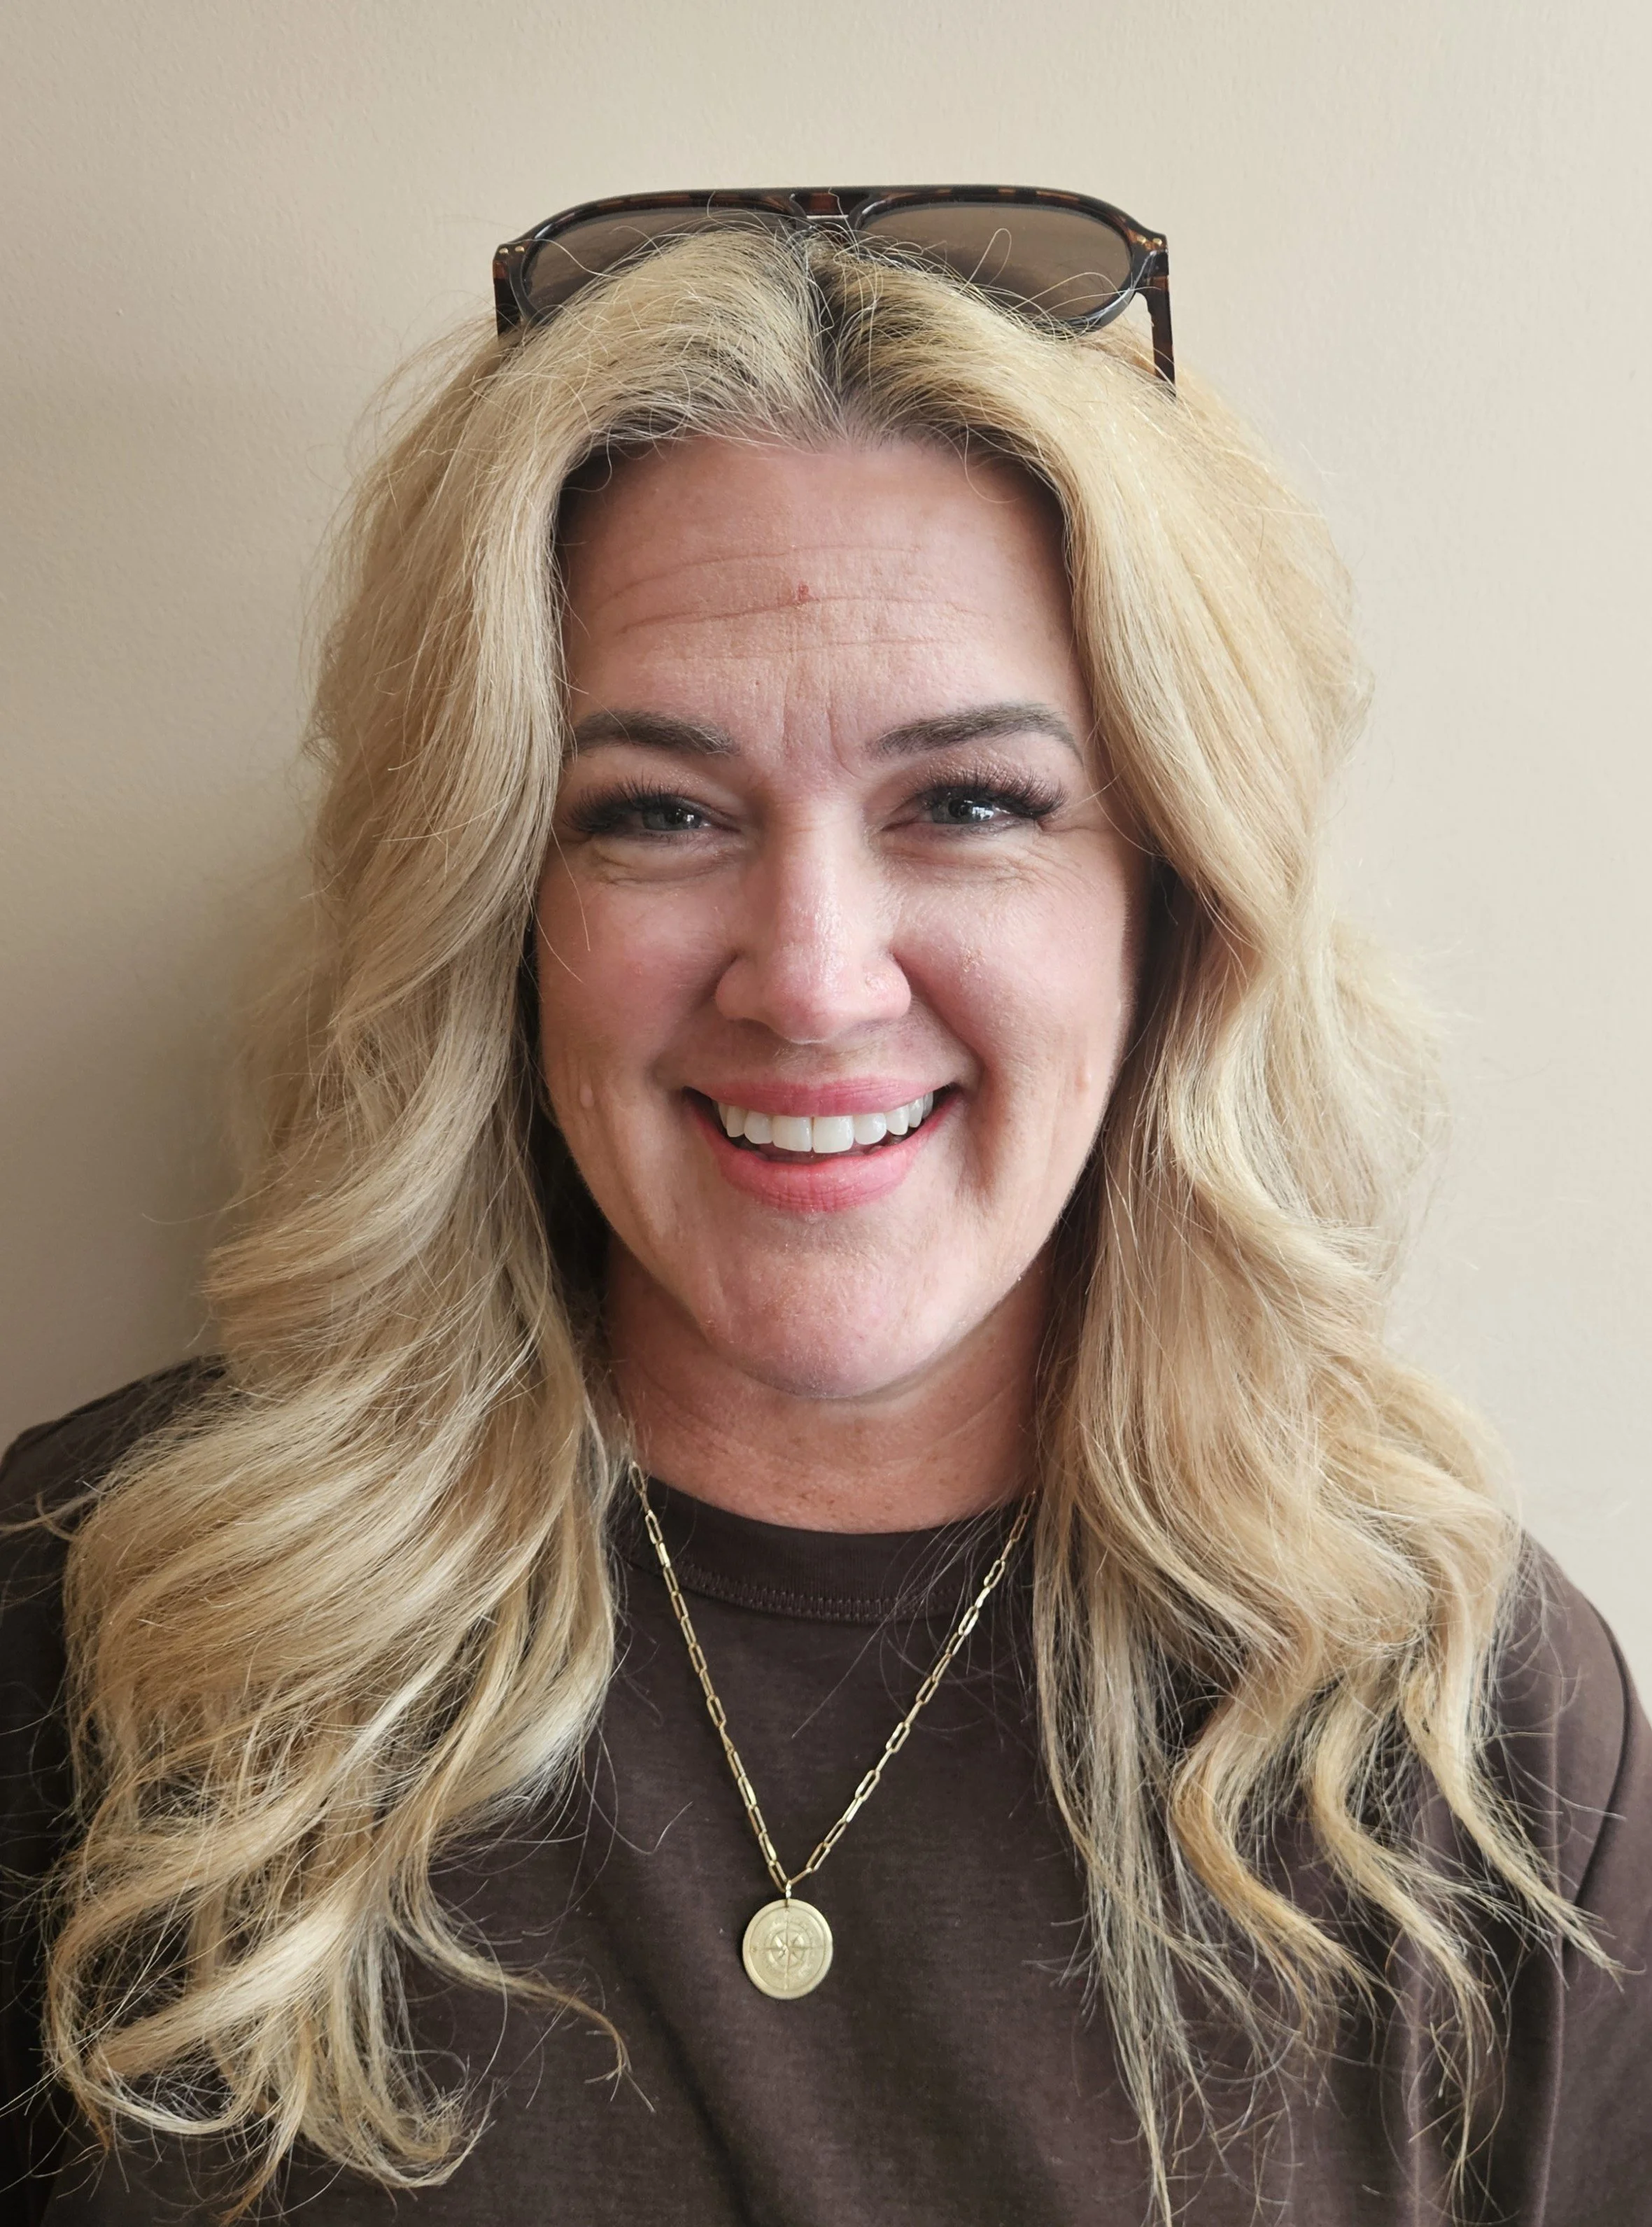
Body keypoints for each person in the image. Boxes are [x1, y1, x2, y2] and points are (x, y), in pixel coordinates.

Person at [2, 189, 1647, 2226]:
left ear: (1172, 909)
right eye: (656, 811)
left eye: (968, 803)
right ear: (498, 908)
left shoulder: (1462, 1732)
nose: (811, 975)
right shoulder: (106, 1626)